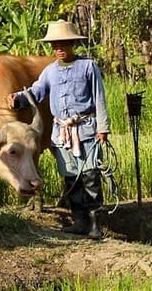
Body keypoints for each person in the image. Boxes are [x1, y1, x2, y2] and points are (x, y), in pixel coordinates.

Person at [8, 19, 110, 240]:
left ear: (72, 44)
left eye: (63, 44)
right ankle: (79, 221)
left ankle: (94, 224)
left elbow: (99, 97)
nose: (59, 49)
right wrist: (18, 99)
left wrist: (103, 128)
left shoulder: (88, 67)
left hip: (85, 129)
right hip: (61, 132)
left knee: (90, 176)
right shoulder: (50, 72)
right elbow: (36, 92)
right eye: (55, 45)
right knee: (71, 178)